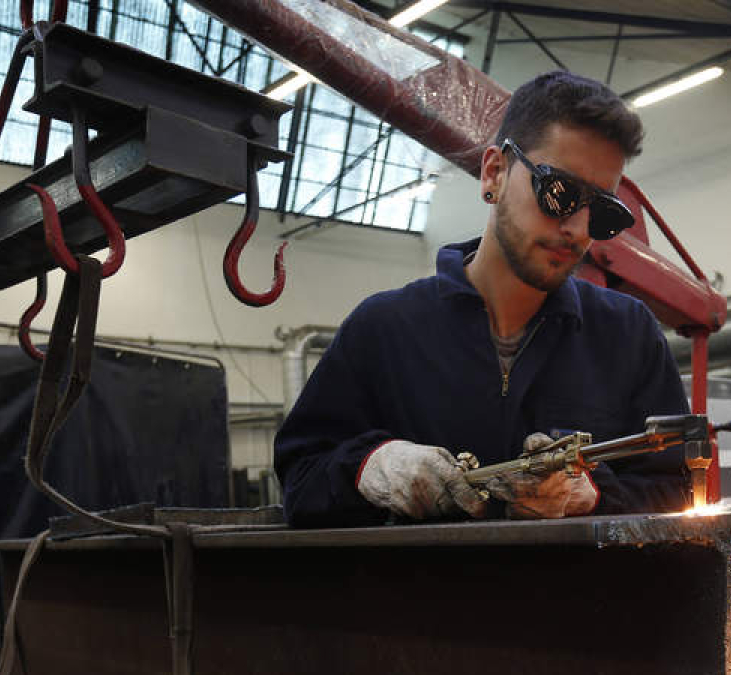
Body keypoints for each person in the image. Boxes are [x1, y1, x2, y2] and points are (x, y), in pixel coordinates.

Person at [273, 71, 691, 528]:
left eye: (602, 213)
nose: (577, 229)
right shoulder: (383, 329)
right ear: (494, 172)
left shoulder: (627, 334)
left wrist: (592, 496)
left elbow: (680, 490)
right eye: (559, 194)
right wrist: (370, 468)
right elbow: (301, 479)